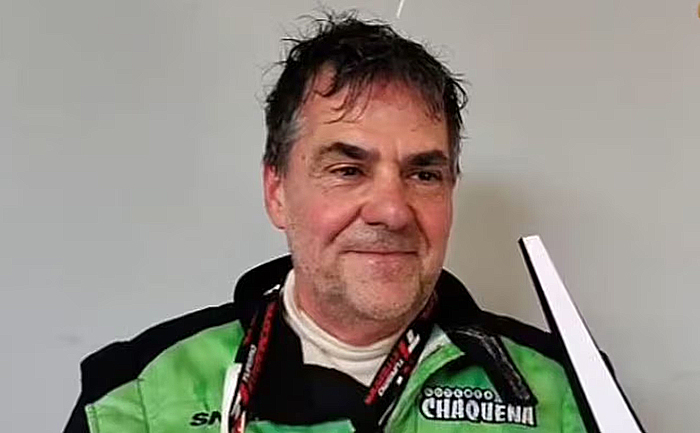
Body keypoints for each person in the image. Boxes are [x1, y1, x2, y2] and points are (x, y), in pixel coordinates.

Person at [63, 12, 589, 433]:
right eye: (347, 170)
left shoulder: (566, 391)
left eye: (424, 174)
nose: (392, 211)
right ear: (277, 192)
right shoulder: (135, 397)